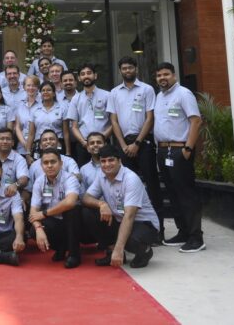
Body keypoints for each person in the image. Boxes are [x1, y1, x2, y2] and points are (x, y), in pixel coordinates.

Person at [153, 62, 205, 252]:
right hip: (163, 151)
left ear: (174, 75)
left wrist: (188, 148)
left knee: (186, 194)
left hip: (179, 150)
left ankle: (196, 238)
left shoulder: (184, 93)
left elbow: (196, 121)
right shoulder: (159, 97)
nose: (162, 78)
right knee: (173, 194)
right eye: (159, 75)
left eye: (166, 74)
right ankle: (183, 232)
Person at [82, 144, 160, 269]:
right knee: (87, 212)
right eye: (103, 161)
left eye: (111, 160)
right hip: (118, 219)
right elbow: (86, 198)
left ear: (119, 161)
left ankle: (145, 251)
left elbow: (129, 216)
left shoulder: (131, 179)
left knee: (131, 241)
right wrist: (101, 204)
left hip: (143, 222)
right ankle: (111, 250)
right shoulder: (101, 175)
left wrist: (119, 249)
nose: (107, 164)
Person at [109, 56, 163, 227]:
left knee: (152, 184)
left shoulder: (147, 89)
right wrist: (123, 145)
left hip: (143, 143)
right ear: (120, 71)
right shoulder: (114, 92)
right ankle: (131, 226)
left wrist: (137, 143)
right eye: (124, 68)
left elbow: (150, 118)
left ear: (136, 69)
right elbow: (114, 121)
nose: (127, 71)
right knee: (126, 186)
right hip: (124, 145)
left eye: (130, 68)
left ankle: (158, 227)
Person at [30, 148, 82, 268]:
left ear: (61, 163)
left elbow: (70, 202)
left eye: (53, 162)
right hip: (55, 222)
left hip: (73, 222)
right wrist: (38, 228)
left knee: (72, 211)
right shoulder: (39, 182)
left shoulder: (70, 178)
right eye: (45, 163)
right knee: (33, 230)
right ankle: (61, 248)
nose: (49, 165)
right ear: (41, 166)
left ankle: (74, 254)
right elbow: (33, 210)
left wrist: (44, 213)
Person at [67, 64, 112, 165]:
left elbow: (114, 122)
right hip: (83, 144)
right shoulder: (75, 99)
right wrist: (84, 142)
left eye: (89, 73)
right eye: (83, 74)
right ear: (79, 78)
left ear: (95, 75)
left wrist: (102, 139)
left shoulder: (107, 95)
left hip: (104, 143)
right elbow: (74, 127)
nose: (86, 76)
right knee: (84, 171)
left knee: (107, 169)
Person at [30, 81, 67, 155]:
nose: (45, 92)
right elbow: (31, 134)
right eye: (43, 90)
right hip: (40, 144)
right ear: (40, 93)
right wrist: (28, 152)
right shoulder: (34, 109)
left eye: (49, 90)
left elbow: (66, 132)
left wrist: (68, 151)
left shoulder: (62, 108)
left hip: (57, 143)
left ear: (54, 93)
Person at [14, 75, 41, 156]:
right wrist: (25, 144)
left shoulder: (42, 103)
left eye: (34, 85)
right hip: (22, 147)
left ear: (38, 87)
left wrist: (30, 145)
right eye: (28, 85)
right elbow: (17, 127)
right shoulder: (20, 104)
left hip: (38, 144)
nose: (31, 88)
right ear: (24, 87)